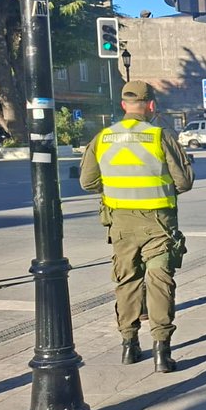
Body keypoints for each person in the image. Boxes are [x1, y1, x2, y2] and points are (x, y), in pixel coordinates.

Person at [80, 81, 193, 373]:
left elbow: (87, 182)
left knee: (127, 281)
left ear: (123, 106)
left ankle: (129, 346)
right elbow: (184, 181)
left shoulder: (103, 138)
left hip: (120, 223)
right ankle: (161, 352)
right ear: (152, 106)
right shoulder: (159, 136)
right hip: (158, 224)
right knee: (159, 282)